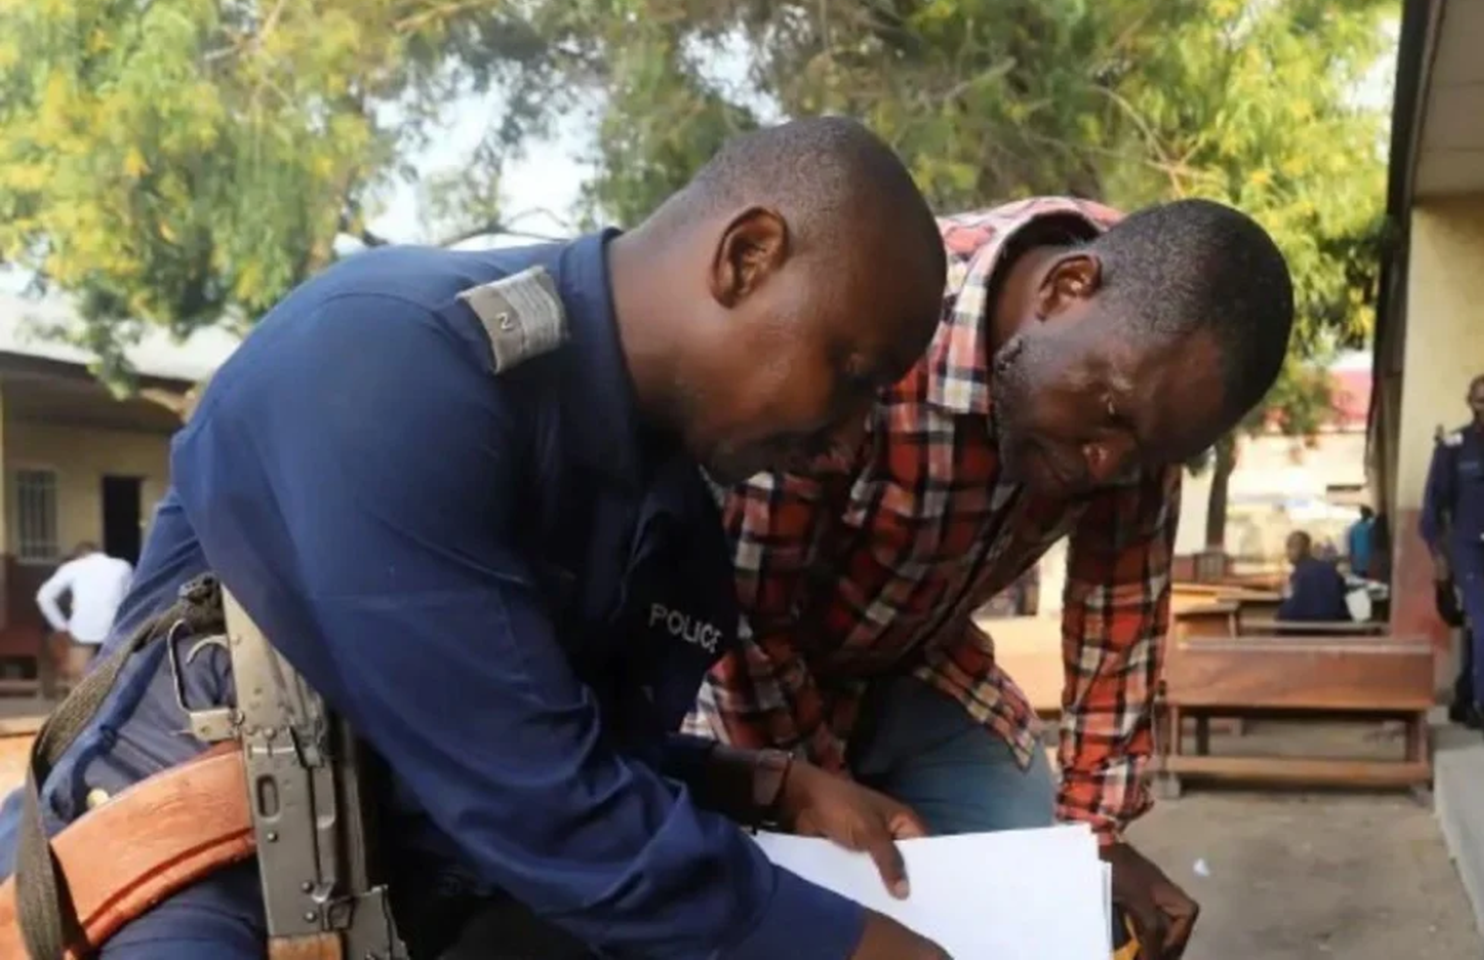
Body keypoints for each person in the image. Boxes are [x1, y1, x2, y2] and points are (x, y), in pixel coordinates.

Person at [0, 117, 957, 959]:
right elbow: (539, 803)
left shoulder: (675, 533)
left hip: (412, 879)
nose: (846, 445)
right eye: (854, 372)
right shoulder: (389, 360)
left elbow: (532, 744)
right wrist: (853, 946)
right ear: (747, 257)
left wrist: (760, 785)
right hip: (192, 863)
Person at [693, 196, 1295, 960]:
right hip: (745, 685)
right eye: (1109, 414)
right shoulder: (875, 315)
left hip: (919, 665)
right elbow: (748, 621)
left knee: (1031, 872)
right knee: (802, 911)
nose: (1106, 467)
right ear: (1065, 289)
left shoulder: (1148, 388)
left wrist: (1091, 850)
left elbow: (1121, 617)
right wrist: (820, 809)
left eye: (1146, 454)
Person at [1421, 374, 1484, 742]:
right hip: (1469, 550)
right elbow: (1432, 509)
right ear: (1469, 402)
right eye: (1480, 401)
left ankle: (1465, 698)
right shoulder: (1454, 447)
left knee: (1479, 633)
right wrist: (1439, 555)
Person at [33, 541, 134, 684]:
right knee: (115, 680)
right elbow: (131, 598)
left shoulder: (72, 567)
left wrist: (61, 626)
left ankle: (82, 704)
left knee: (78, 681)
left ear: (78, 556)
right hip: (115, 630)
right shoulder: (123, 566)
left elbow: (44, 596)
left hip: (82, 631)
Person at [1278, 530, 1352, 623]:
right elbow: (1343, 597)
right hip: (1332, 626)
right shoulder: (1329, 569)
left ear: (1306, 549)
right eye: (1289, 547)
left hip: (1305, 629)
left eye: (1292, 547)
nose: (1288, 552)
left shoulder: (1298, 575)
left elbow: (1291, 609)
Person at [1346, 505, 1376, 578]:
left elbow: (1350, 545)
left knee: (1358, 582)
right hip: (1368, 561)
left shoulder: (1354, 527)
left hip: (1357, 561)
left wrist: (1351, 557)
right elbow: (1373, 544)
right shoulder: (1370, 527)